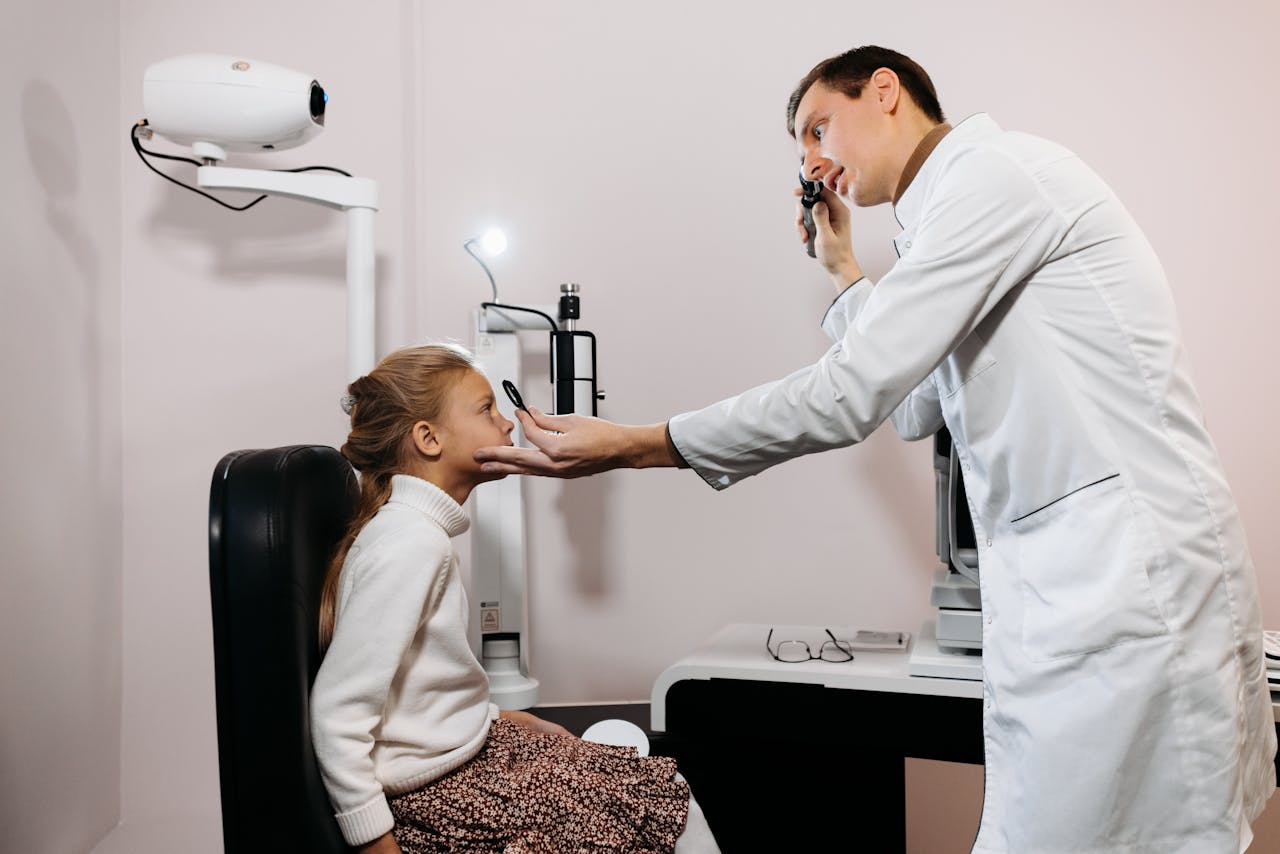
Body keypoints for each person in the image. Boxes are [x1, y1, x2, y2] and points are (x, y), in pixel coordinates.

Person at [474, 46, 1277, 853]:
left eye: (818, 128)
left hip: (1129, 577)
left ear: (885, 92)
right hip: (1070, 583)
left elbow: (853, 394)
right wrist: (844, 271)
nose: (814, 161)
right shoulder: (946, 218)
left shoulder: (993, 179)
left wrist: (640, 444)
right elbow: (916, 405)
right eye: (799, 152)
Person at [310, 343, 716, 854]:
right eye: (486, 409)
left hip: (462, 755)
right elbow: (338, 714)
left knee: (649, 787)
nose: (507, 426)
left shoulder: (414, 533)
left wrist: (498, 717)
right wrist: (375, 843)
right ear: (428, 438)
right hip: (438, 792)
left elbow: (416, 695)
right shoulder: (410, 543)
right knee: (659, 799)